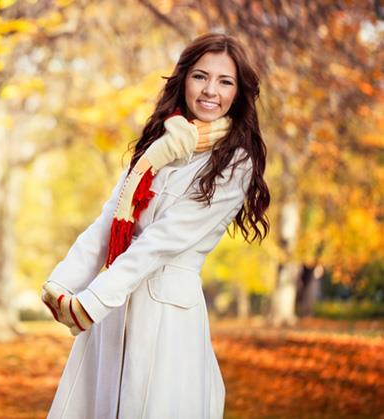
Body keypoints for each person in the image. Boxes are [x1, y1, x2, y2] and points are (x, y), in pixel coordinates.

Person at [40, 32, 270, 419]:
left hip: (165, 314)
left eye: (225, 81)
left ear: (238, 93)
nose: (210, 90)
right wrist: (61, 285)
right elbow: (108, 221)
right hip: (114, 309)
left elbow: (162, 241)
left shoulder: (236, 162)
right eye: (200, 76)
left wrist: (93, 301)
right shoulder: (158, 146)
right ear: (184, 80)